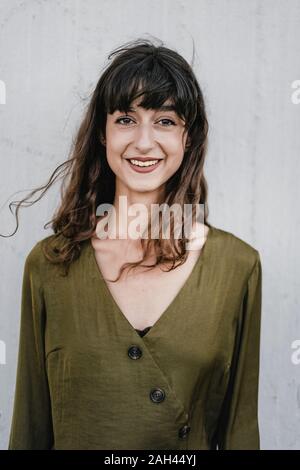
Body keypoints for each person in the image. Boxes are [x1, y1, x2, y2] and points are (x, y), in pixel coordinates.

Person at [7, 37, 262, 450]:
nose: (144, 142)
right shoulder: (50, 264)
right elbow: (29, 428)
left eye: (165, 121)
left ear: (189, 138)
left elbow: (240, 432)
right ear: (103, 135)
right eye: (126, 119)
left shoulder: (237, 266)